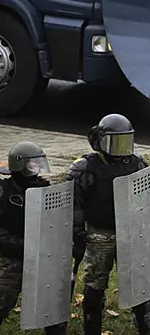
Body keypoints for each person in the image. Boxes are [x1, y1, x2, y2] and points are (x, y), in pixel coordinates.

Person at [67, 114, 150, 334]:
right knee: (95, 283)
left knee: (139, 283)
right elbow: (76, 204)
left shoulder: (136, 164)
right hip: (99, 234)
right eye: (115, 142)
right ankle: (92, 327)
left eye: (125, 142)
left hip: (131, 233)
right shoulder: (86, 168)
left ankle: (146, 327)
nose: (121, 149)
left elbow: (149, 196)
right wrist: (77, 233)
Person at [0, 142, 67, 334]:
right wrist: (23, 246)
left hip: (41, 257)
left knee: (52, 305)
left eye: (39, 164)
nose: (37, 168)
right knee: (3, 300)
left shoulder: (46, 189)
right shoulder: (4, 192)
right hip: (11, 257)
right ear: (19, 165)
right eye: (32, 164)